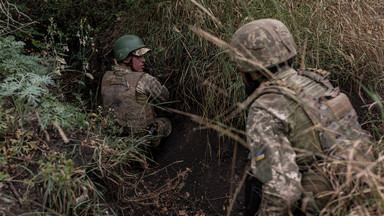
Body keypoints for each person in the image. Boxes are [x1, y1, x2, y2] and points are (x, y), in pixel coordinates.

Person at [229, 19, 373, 215]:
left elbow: (282, 195)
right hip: (363, 196)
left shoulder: (265, 108)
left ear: (247, 70)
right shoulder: (319, 83)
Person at [101, 34, 171, 146]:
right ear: (125, 58)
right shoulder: (144, 79)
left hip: (114, 138)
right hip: (141, 140)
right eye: (138, 57)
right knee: (166, 123)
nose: (143, 60)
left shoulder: (106, 78)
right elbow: (165, 98)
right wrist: (153, 79)